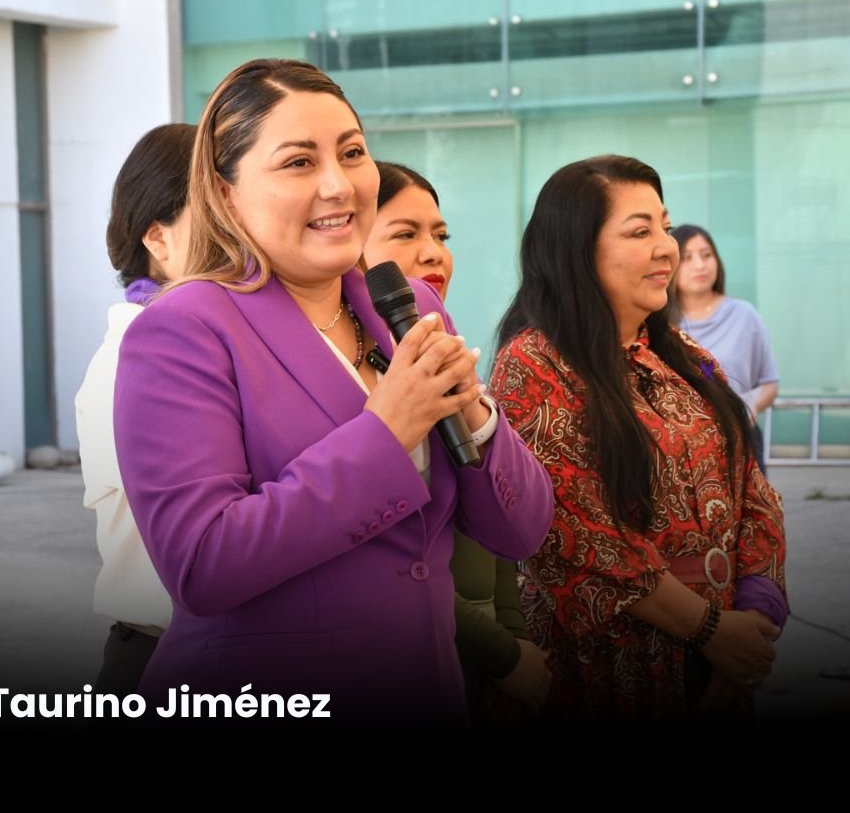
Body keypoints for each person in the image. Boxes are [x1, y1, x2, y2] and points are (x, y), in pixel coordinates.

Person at [112, 59, 552, 724]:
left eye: (352, 153)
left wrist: (478, 415)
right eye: (298, 162)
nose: (338, 184)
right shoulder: (184, 326)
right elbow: (201, 563)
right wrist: (387, 432)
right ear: (226, 193)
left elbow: (521, 530)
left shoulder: (407, 305)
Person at [488, 155, 787, 723]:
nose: (666, 248)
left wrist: (755, 619)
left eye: (665, 227)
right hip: (614, 666)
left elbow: (753, 489)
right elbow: (578, 537)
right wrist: (711, 630)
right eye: (639, 231)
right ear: (578, 249)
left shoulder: (686, 356)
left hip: (726, 653)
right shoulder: (533, 365)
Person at [364, 160, 550, 721]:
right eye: (405, 234)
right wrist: (504, 655)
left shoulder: (448, 351)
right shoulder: (352, 376)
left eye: (441, 236)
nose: (433, 253)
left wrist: (517, 639)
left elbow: (498, 523)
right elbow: (392, 557)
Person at [76, 123, 194, 694]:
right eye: (220, 214)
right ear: (158, 239)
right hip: (162, 659)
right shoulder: (140, 353)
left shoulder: (202, 340)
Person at [670, 223, 779, 472]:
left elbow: (770, 384)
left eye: (707, 255)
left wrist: (748, 407)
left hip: (740, 441)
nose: (700, 265)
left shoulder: (744, 315)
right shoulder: (661, 326)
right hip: (681, 450)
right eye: (687, 258)